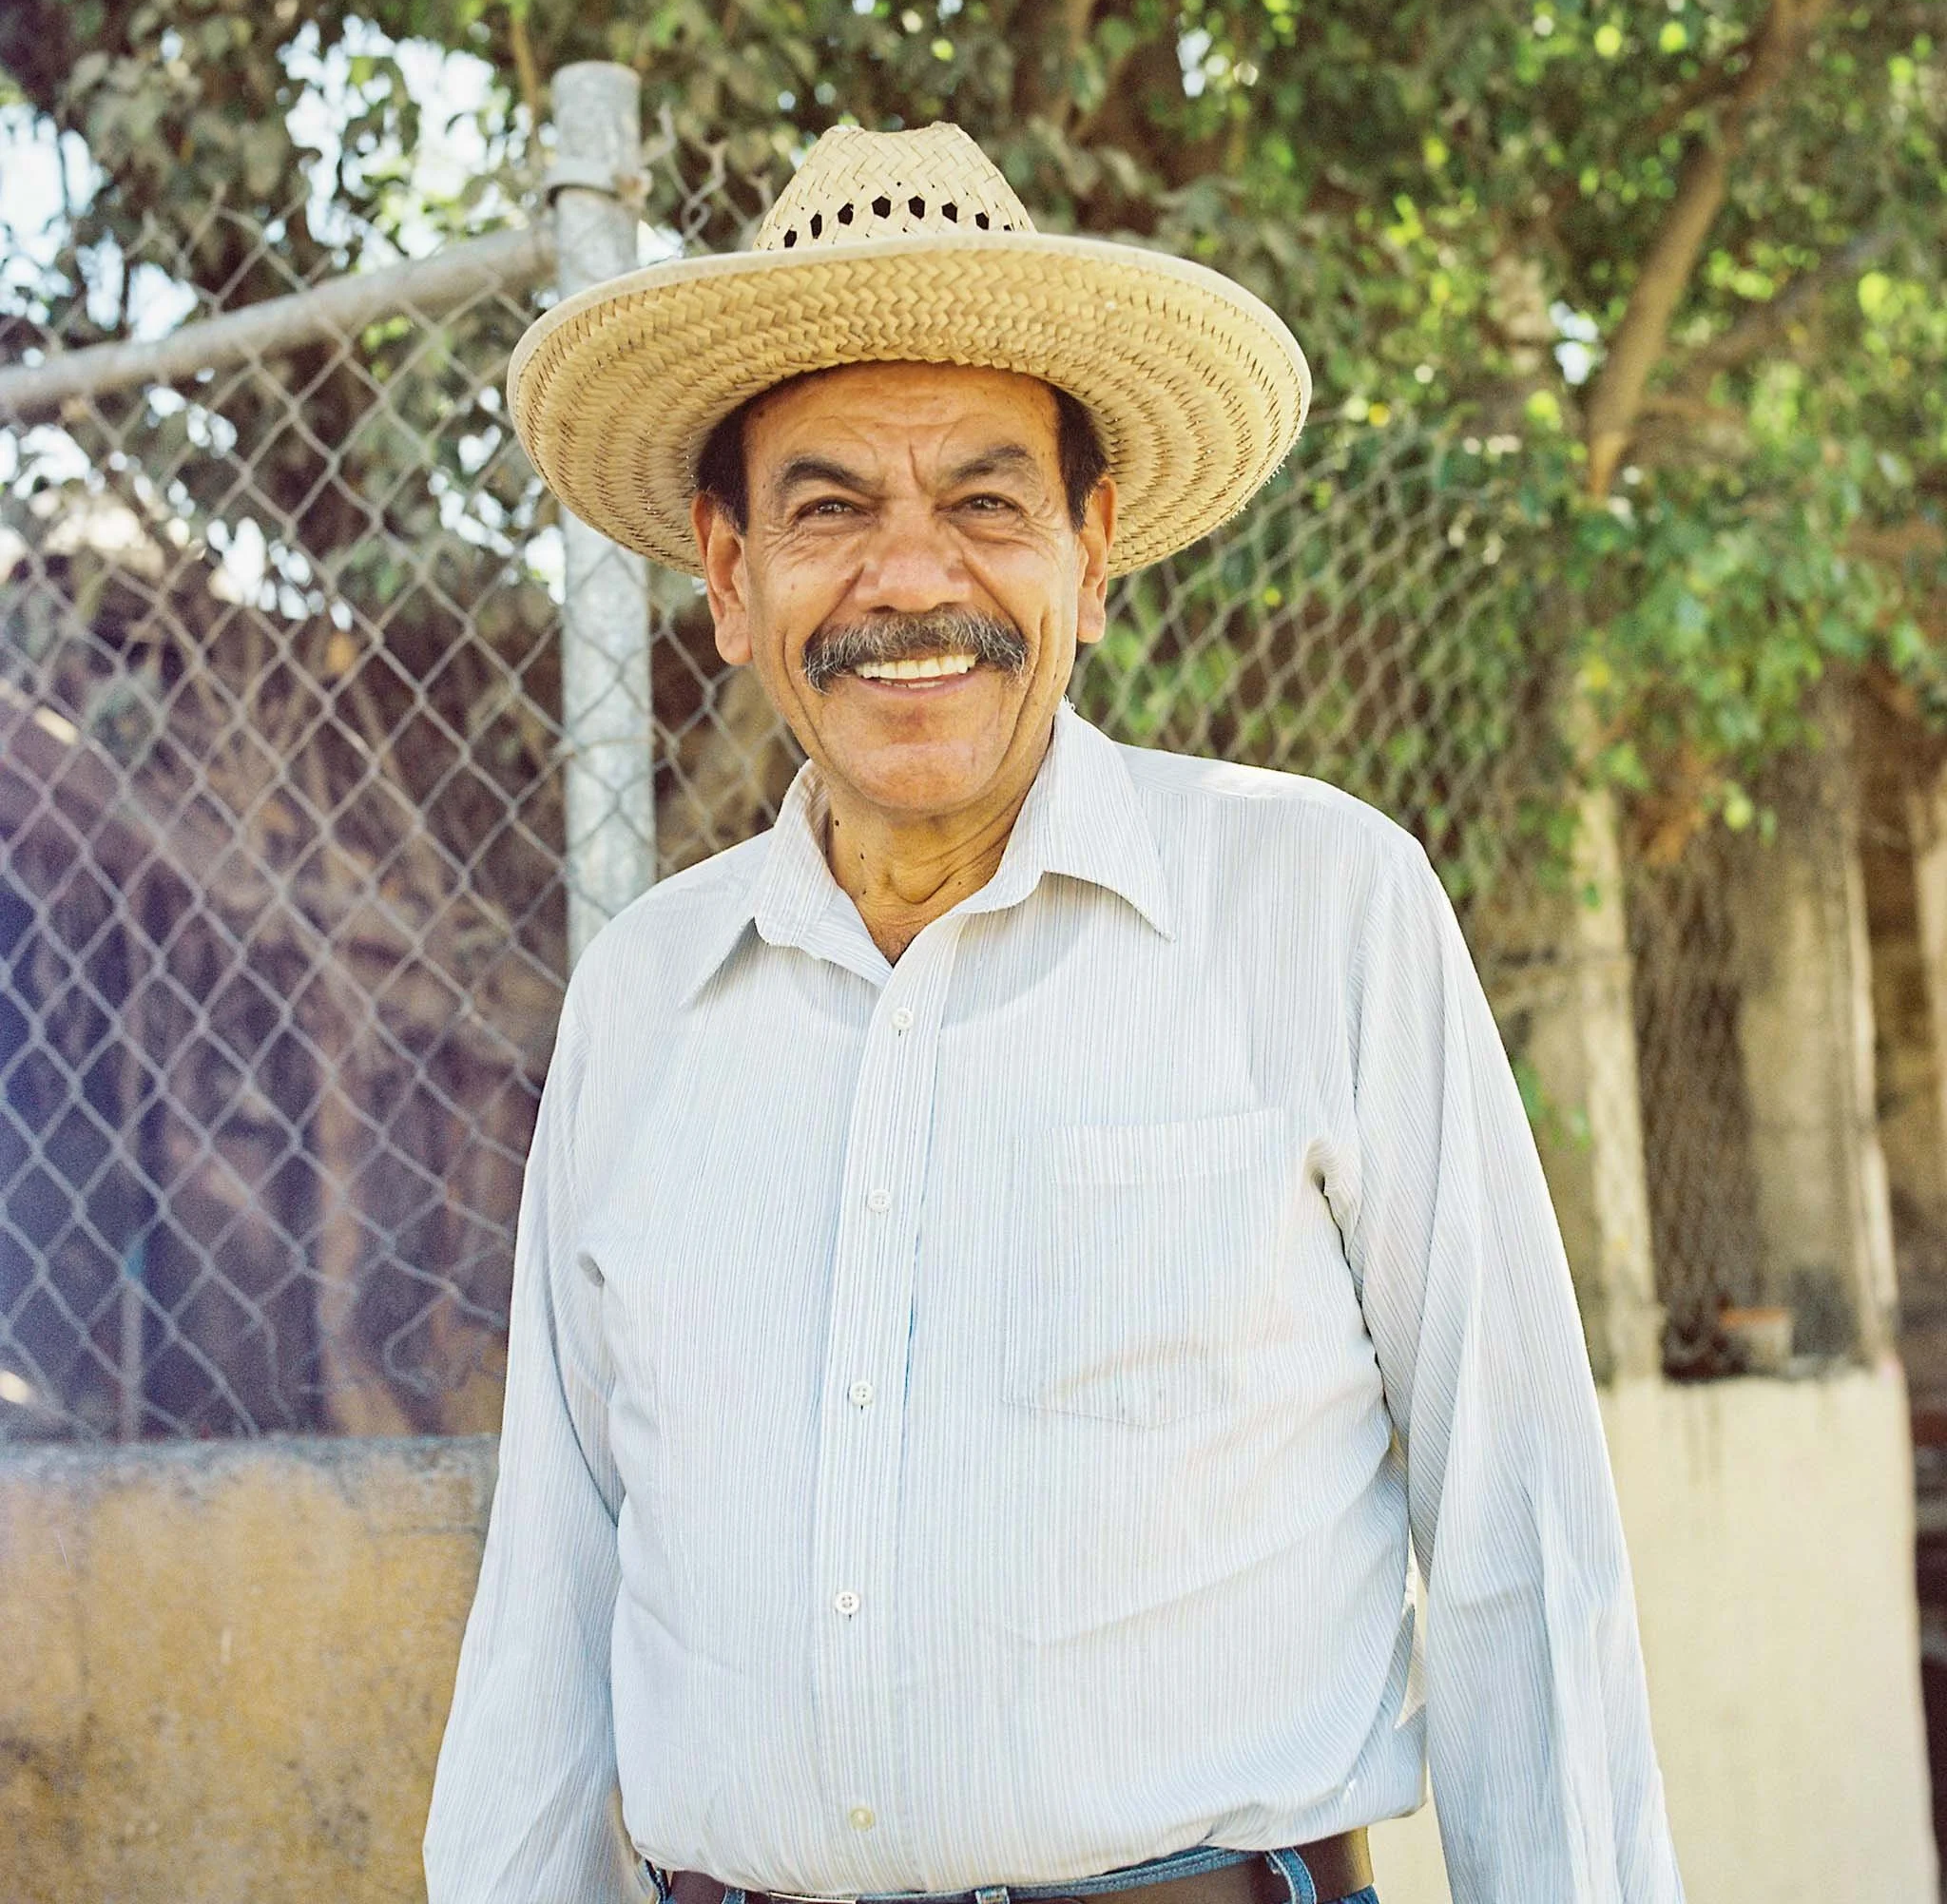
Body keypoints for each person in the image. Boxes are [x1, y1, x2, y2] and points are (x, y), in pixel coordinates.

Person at [423, 122, 1684, 1904]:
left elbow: (1519, 1544)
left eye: (987, 503)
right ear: (730, 577)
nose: (910, 578)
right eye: (828, 509)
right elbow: (551, 1609)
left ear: (1091, 557)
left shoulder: (1322, 909)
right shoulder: (644, 999)